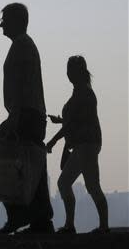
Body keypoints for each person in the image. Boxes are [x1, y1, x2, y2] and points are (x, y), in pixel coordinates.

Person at [0, 3, 54, 234]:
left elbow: (21, 86)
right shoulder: (25, 45)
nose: (1, 24)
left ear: (16, 21)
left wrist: (13, 120)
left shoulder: (21, 46)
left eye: (4, 19)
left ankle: (17, 215)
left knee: (3, 160)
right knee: (33, 167)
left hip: (25, 114)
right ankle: (41, 221)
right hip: (30, 113)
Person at [46, 56, 109, 234]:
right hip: (83, 145)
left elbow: (72, 124)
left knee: (92, 186)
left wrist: (52, 141)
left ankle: (103, 226)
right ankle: (70, 225)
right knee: (64, 183)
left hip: (86, 144)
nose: (68, 74)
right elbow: (74, 120)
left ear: (78, 72)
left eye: (70, 70)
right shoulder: (80, 92)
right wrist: (60, 120)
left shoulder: (84, 93)